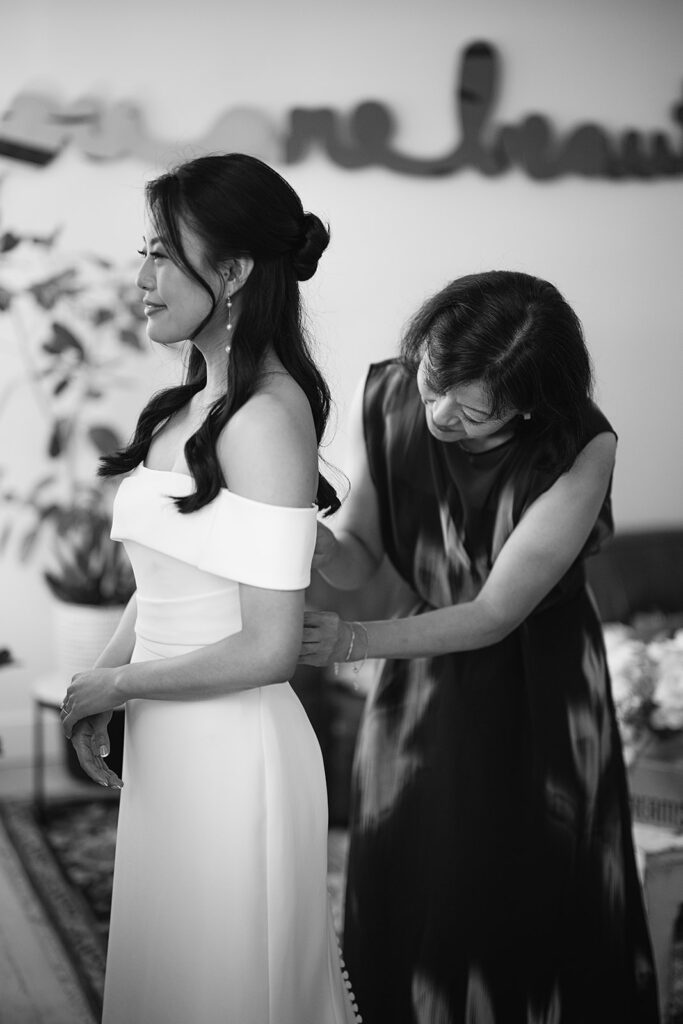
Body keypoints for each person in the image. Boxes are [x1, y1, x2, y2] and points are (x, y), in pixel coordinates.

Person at [301, 271, 660, 1024]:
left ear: (528, 403)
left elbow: (496, 611)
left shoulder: (577, 446)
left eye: (467, 410)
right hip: (418, 674)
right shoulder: (395, 397)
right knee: (409, 867)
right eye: (432, 383)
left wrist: (352, 640)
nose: (435, 413)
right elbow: (362, 550)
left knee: (511, 889)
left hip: (537, 685)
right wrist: (312, 543)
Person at [60, 153, 360, 1024]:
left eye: (163, 254)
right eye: (143, 252)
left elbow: (269, 648)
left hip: (236, 754)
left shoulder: (267, 420)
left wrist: (118, 685)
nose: (142, 279)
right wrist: (98, 689)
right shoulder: (188, 406)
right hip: (173, 741)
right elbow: (166, 581)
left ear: (231, 273)